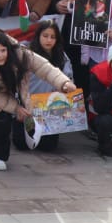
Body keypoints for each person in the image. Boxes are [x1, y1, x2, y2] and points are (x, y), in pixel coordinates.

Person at [0, 29, 79, 171]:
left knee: (0, 119)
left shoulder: (21, 53)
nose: (0, 55)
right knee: (1, 119)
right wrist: (15, 108)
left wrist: (64, 83)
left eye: (3, 50)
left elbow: (44, 68)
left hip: (16, 87)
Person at [20, 18, 73, 152]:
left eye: (52, 37)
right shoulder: (27, 53)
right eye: (45, 36)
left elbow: (69, 79)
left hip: (50, 109)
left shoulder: (62, 57)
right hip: (28, 106)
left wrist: (67, 86)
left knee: (48, 147)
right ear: (38, 36)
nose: (48, 40)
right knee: (21, 144)